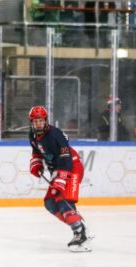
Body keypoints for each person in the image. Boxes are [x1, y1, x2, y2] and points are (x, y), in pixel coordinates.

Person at [28, 106, 92, 252]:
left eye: (41, 121)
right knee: (50, 203)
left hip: (72, 167)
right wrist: (37, 163)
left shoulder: (55, 134)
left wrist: (61, 180)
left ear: (46, 121)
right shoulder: (32, 135)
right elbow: (37, 151)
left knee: (63, 200)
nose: (38, 124)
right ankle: (80, 226)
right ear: (31, 122)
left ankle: (80, 233)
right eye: (35, 121)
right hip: (57, 170)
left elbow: (66, 158)